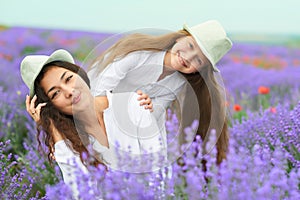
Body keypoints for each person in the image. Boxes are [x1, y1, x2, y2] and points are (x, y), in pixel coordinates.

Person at [20, 49, 167, 197]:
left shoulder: (133, 104)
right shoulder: (68, 145)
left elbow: (160, 169)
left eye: (68, 79)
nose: (69, 91)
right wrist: (53, 131)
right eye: (55, 93)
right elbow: (82, 195)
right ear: (51, 107)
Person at [86, 20, 232, 164]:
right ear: (180, 37)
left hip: (128, 117)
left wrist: (150, 106)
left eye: (198, 60)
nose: (188, 57)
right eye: (190, 45)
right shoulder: (142, 54)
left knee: (147, 129)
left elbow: (157, 111)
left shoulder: (179, 81)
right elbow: (100, 91)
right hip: (93, 99)